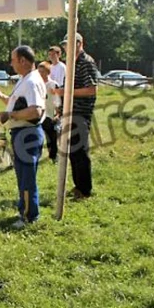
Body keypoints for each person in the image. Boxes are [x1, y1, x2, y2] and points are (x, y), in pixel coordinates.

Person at [0, 46, 46, 228]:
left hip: (27, 134)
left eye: (13, 59)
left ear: (23, 60)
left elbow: (35, 110)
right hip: (22, 133)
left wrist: (10, 116)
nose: (10, 63)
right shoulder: (25, 79)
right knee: (22, 176)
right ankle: (25, 210)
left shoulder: (31, 81)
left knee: (27, 177)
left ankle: (29, 216)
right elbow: (18, 105)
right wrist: (1, 96)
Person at [53, 32, 98, 199]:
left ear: (79, 43)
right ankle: (78, 185)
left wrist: (65, 92)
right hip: (69, 111)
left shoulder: (86, 62)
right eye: (65, 45)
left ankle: (85, 190)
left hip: (81, 112)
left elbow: (91, 89)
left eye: (69, 44)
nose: (66, 48)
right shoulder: (73, 63)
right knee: (72, 151)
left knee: (80, 151)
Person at [38, 61, 61, 163]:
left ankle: (53, 156)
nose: (40, 74)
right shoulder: (37, 85)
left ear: (48, 72)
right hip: (39, 114)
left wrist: (57, 113)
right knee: (37, 136)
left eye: (43, 72)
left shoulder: (53, 84)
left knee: (51, 137)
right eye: (39, 72)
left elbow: (57, 100)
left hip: (49, 113)